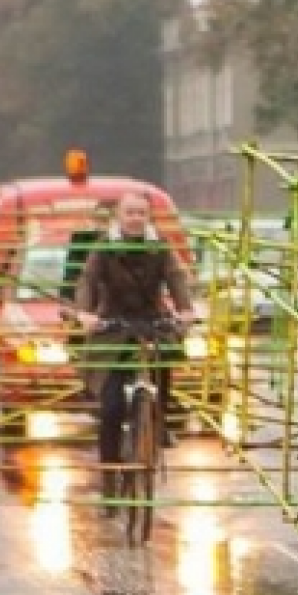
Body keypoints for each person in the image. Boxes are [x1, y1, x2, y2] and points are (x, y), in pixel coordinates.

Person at [72, 192, 195, 503]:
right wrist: (85, 313)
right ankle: (110, 479)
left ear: (149, 217)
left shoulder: (159, 247)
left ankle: (160, 420)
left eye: (142, 213)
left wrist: (185, 309)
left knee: (165, 362)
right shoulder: (104, 247)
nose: (136, 218)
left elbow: (176, 277)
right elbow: (87, 280)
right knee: (112, 408)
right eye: (130, 213)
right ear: (119, 216)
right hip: (113, 327)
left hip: (151, 322)